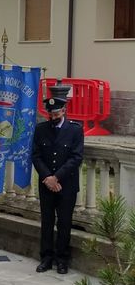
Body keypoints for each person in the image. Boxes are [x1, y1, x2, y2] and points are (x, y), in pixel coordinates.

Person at [32, 95, 84, 274]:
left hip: (67, 185)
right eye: (51, 114)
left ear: (63, 111)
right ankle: (46, 258)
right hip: (46, 184)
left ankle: (62, 259)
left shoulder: (75, 130)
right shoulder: (41, 129)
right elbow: (36, 156)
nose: (53, 117)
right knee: (47, 222)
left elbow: (76, 157)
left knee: (64, 222)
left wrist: (57, 177)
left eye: (56, 114)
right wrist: (48, 177)